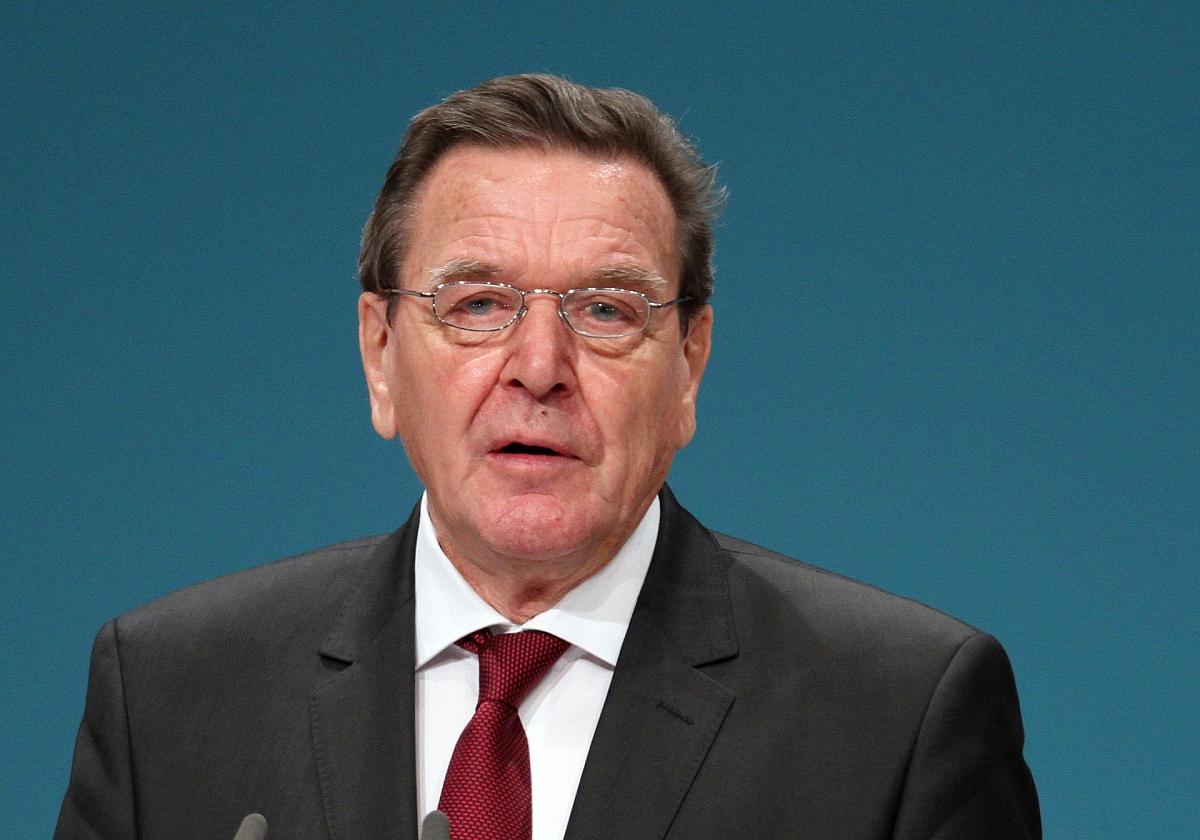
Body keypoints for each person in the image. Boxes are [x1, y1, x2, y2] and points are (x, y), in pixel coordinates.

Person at [55, 74, 1040, 840]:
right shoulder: (168, 697)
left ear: (689, 366)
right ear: (381, 355)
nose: (539, 367)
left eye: (606, 310)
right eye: (478, 304)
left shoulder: (899, 717)